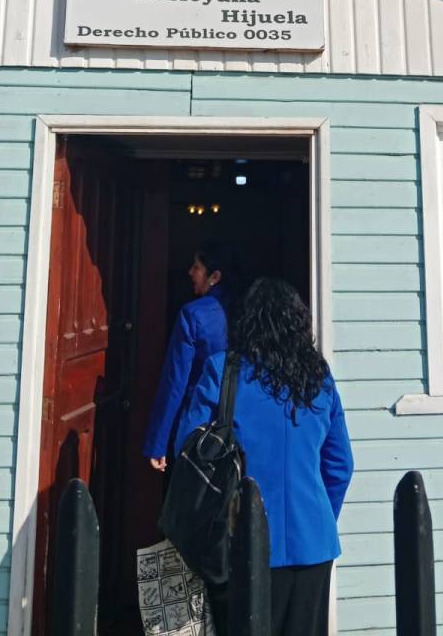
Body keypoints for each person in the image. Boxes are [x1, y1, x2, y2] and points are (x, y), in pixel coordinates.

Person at [176, 277, 353, 636]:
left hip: (237, 543)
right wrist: (316, 518)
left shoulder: (222, 370)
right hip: (312, 541)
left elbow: (188, 451)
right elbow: (340, 466)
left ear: (245, 321)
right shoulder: (319, 378)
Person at [142, 242, 236, 470]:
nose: (190, 272)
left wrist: (158, 443)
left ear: (214, 277)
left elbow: (175, 381)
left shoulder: (193, 314)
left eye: (196, 267)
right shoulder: (244, 309)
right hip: (238, 419)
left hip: (200, 421)